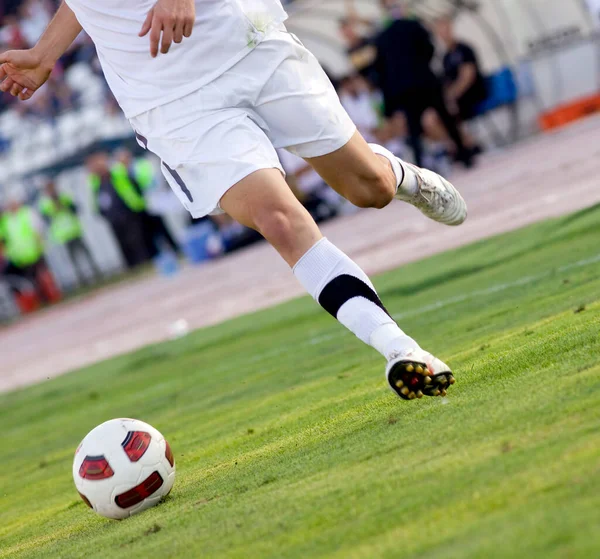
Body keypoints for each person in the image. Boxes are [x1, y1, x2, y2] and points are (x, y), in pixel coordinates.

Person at [0, 0, 467, 401]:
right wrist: (45, 53)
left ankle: (401, 176)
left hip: (243, 41)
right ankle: (401, 349)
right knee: (278, 220)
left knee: (370, 189)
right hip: (168, 97)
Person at [374, 1, 473, 168]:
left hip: (405, 90)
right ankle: (464, 155)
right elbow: (429, 49)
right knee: (445, 117)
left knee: (414, 129)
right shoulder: (414, 26)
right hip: (425, 81)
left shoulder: (381, 38)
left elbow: (381, 70)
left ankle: (420, 166)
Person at [87, 151, 150, 268]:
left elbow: (131, 185)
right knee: (123, 243)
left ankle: (145, 262)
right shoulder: (96, 181)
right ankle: (133, 266)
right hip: (113, 217)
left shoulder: (116, 172)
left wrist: (136, 203)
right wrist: (102, 213)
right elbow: (97, 198)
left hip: (128, 210)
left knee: (136, 239)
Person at [114, 148, 180, 257]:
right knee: (148, 233)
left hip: (151, 202)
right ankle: (157, 255)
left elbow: (151, 181)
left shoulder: (140, 165)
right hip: (138, 207)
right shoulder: (120, 173)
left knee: (161, 228)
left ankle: (174, 249)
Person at [39, 180, 101, 286]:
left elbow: (76, 209)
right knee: (72, 259)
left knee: (86, 253)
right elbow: (45, 219)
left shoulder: (64, 196)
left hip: (74, 230)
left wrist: (64, 205)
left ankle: (96, 273)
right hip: (63, 235)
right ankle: (81, 278)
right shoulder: (45, 203)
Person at [0, 198, 60, 303]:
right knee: (29, 281)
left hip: (34, 252)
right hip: (18, 257)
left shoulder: (27, 213)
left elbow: (38, 230)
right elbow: (3, 238)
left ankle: (51, 298)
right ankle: (37, 301)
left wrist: (40, 245)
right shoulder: (6, 220)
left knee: (42, 277)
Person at [436, 17, 488, 124]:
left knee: (450, 110)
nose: (443, 33)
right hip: (459, 97)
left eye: (445, 28)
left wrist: (452, 96)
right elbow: (448, 81)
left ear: (450, 28)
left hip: (473, 92)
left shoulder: (464, 49)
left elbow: (468, 76)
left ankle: (465, 138)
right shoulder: (446, 57)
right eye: (440, 30)